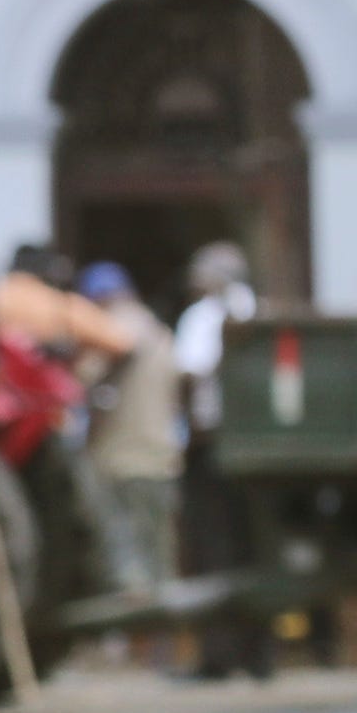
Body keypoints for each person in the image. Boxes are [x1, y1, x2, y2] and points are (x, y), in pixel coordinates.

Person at [168, 241, 266, 682]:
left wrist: (184, 435)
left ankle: (219, 657)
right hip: (257, 450)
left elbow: (190, 374)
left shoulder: (206, 316)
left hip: (213, 446)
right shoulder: (258, 310)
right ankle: (259, 657)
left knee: (213, 551)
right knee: (254, 549)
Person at [73, 261, 183, 600]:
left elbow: (77, 384)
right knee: (161, 558)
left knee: (125, 560)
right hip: (161, 458)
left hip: (117, 460)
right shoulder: (162, 334)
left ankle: (130, 643)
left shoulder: (110, 334)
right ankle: (164, 646)